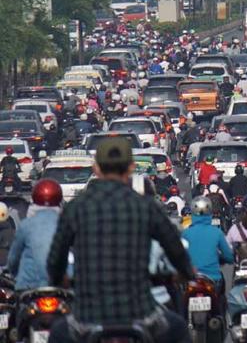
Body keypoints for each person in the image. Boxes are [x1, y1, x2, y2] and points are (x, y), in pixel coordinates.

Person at [47, 137, 194, 343]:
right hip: (142, 314)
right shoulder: (146, 206)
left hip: (86, 318)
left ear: (96, 169)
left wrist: (58, 279)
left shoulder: (75, 208)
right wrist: (186, 273)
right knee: (179, 328)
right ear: (131, 168)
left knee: (56, 333)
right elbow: (175, 249)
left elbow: (55, 259)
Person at [7, 179, 62, 290]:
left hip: (29, 285)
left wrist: (12, 272)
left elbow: (14, 258)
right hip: (60, 284)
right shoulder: (66, 223)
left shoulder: (26, 225)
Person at [182, 196, 234, 292]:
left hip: (191, 279)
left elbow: (179, 255)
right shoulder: (217, 232)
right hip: (213, 279)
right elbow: (229, 257)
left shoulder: (185, 233)